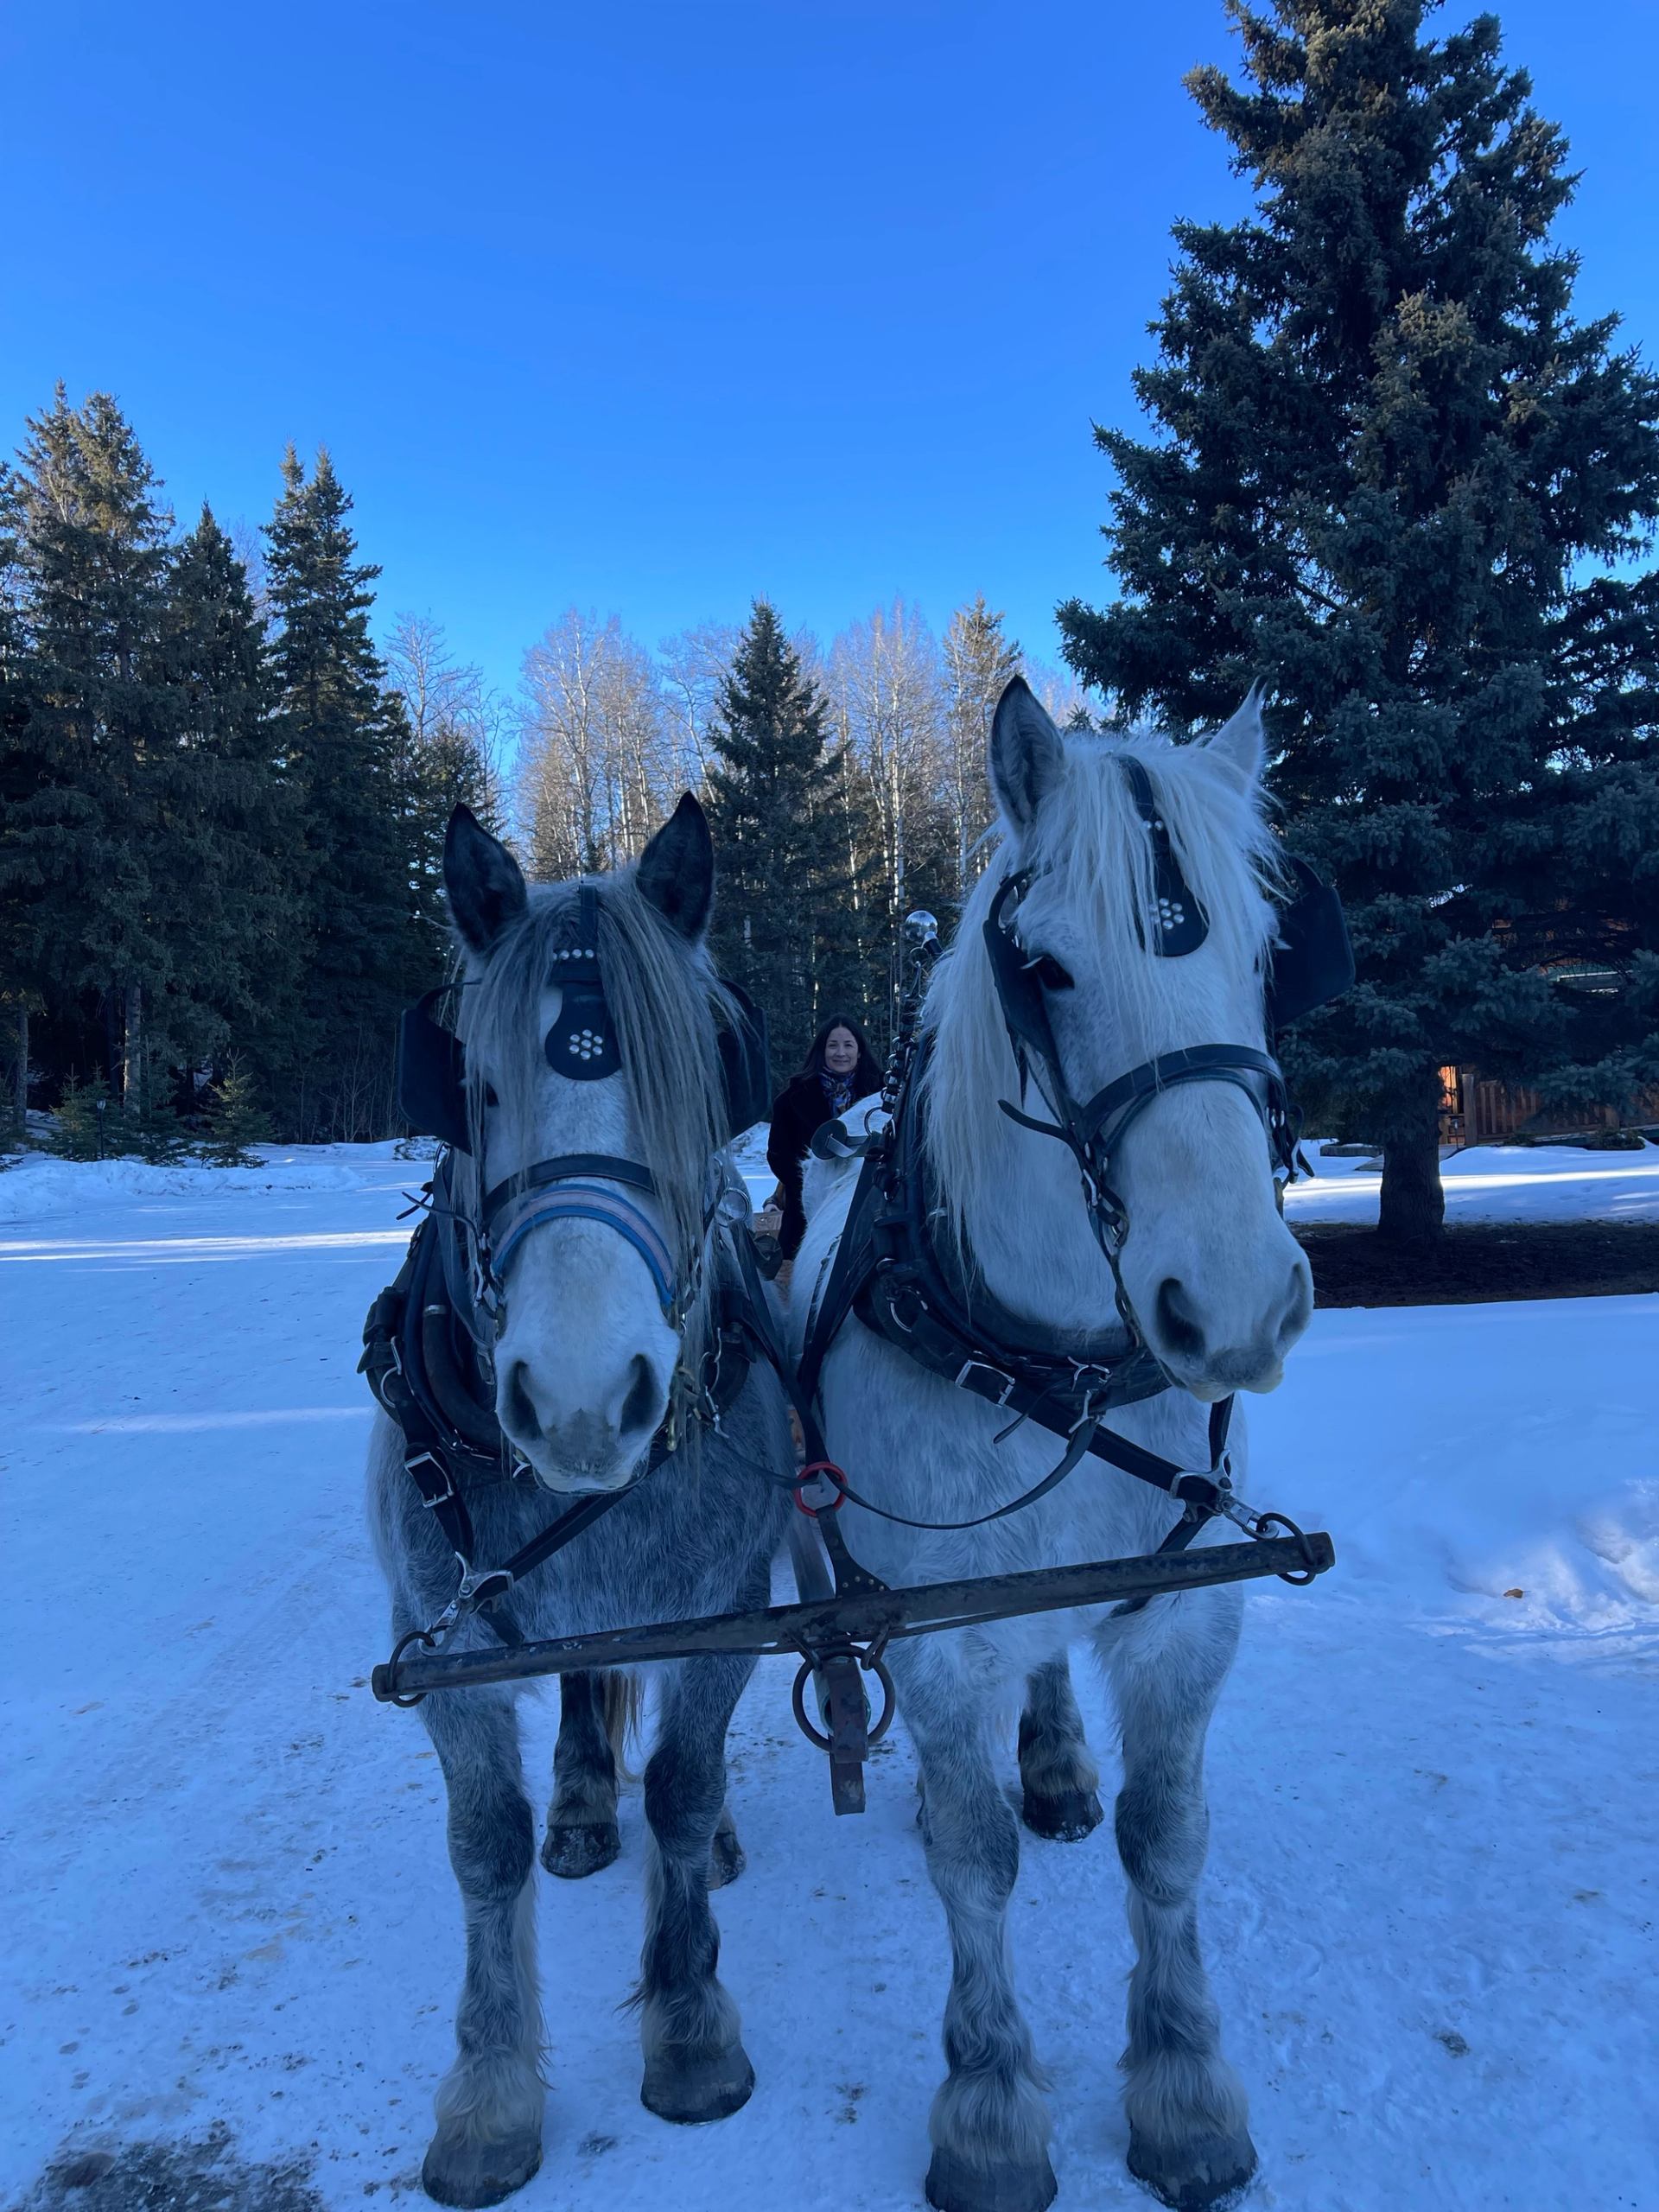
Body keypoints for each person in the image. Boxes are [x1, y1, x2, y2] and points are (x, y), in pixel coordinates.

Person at [766, 1013, 882, 1260]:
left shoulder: (882, 1095)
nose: (841, 1052)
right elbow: (779, 1156)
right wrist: (814, 1183)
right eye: (833, 1045)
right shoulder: (790, 1100)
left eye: (848, 1045)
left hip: (870, 1208)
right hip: (807, 1213)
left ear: (859, 1051)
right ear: (822, 1050)